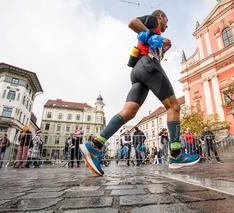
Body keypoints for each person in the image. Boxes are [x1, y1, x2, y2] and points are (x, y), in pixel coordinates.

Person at [79, 9, 200, 176]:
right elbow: (132, 23)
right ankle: (176, 154)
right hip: (147, 65)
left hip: (139, 70)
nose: (167, 25)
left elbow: (154, 51)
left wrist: (163, 47)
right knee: (174, 107)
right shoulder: (152, 20)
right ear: (160, 17)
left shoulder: (155, 33)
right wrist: (153, 35)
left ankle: (95, 145)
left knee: (129, 112)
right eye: (166, 20)